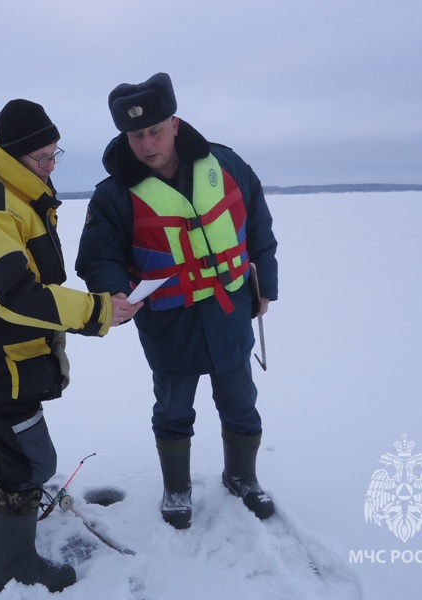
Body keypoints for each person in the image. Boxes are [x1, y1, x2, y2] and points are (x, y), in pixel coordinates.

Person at [0, 99, 141, 592]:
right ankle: (10, 566)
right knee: (32, 464)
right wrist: (98, 311)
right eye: (41, 157)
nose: (50, 166)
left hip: (10, 359)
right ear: (13, 154)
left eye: (53, 155)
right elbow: (12, 293)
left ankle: (8, 530)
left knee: (20, 458)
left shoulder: (18, 193)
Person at [76, 73, 279, 529]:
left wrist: (265, 284)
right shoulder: (113, 196)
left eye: (154, 131)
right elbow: (97, 257)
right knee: (172, 411)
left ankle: (242, 477)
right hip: (170, 324)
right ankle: (176, 489)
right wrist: (114, 291)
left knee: (241, 401)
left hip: (228, 315)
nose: (147, 144)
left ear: (174, 123)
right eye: (135, 135)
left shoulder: (226, 165)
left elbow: (259, 227)